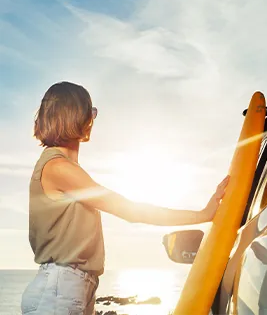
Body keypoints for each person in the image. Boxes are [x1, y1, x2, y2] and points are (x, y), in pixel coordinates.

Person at [21, 81, 230, 315]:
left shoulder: (63, 167)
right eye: (91, 112)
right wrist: (202, 215)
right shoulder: (59, 168)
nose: (92, 120)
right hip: (60, 289)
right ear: (77, 116)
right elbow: (129, 211)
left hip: (69, 287)